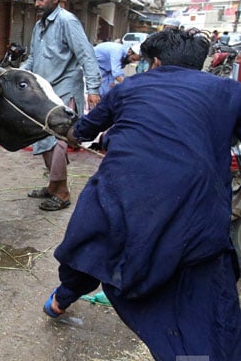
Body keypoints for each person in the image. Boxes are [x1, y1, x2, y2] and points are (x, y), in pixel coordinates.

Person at [43, 28, 241, 360]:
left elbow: (82, 131)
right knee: (206, 301)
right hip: (198, 218)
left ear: (156, 62)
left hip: (123, 203)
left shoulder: (130, 87)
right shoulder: (228, 91)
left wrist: (69, 130)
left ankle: (61, 299)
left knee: (94, 242)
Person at [22, 0, 101, 211]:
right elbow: (33, 58)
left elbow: (86, 55)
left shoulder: (67, 21)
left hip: (65, 88)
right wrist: (15, 74)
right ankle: (53, 186)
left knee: (57, 141)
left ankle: (63, 193)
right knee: (44, 137)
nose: (38, 3)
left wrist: (94, 89)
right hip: (45, 91)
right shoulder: (39, 26)